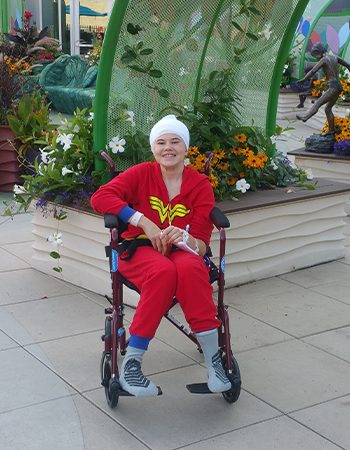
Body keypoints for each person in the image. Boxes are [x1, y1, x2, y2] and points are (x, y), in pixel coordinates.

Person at [91, 114, 232, 397]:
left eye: (175, 141)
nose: (168, 148)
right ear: (153, 148)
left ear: (185, 148)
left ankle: (214, 361)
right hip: (139, 249)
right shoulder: (140, 173)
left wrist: (188, 238)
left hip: (182, 251)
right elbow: (100, 198)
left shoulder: (199, 184)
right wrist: (142, 221)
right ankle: (132, 366)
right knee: (163, 272)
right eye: (161, 142)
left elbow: (203, 243)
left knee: (193, 267)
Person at [296, 42, 350, 135]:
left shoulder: (324, 59)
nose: (317, 58)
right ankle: (331, 130)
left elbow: (313, 71)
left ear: (319, 52)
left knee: (318, 104)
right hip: (338, 86)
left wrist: (303, 80)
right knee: (327, 109)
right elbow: (348, 65)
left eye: (315, 55)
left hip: (333, 87)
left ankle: (306, 117)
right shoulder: (335, 57)